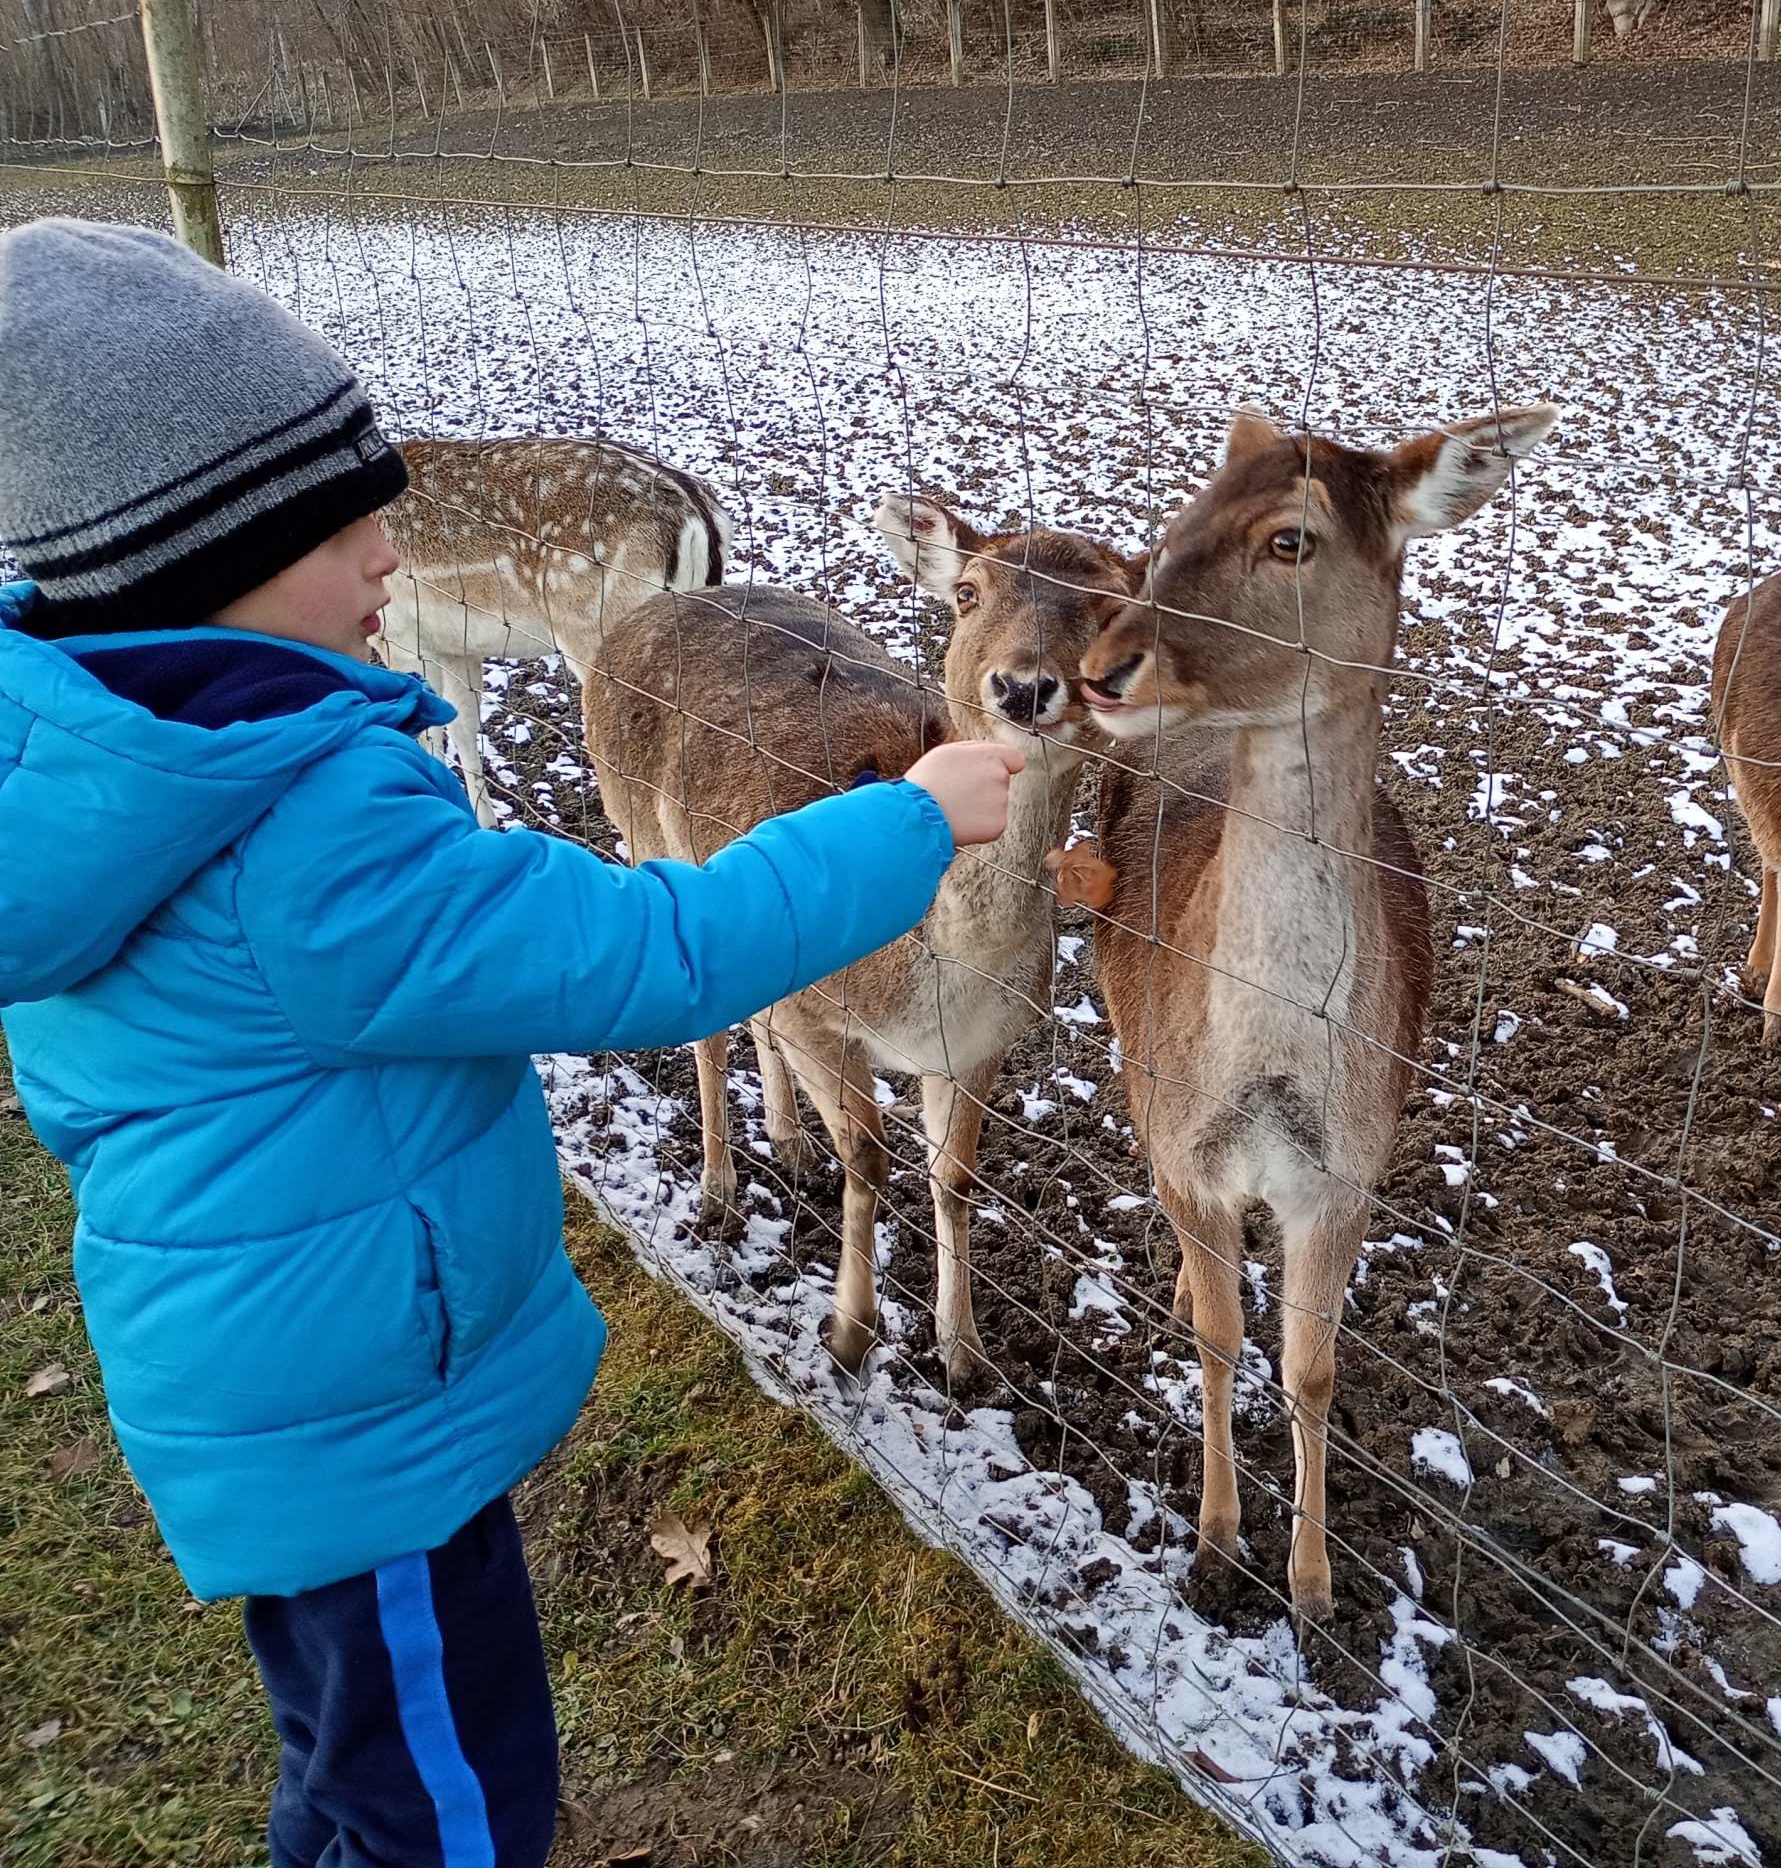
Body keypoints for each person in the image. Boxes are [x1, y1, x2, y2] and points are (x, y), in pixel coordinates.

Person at [0, 218, 1020, 1868]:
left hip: (271, 1397)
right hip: (366, 1426)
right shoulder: (308, 838)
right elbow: (651, 949)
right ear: (209, 562)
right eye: (345, 527)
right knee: (450, 1810)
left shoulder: (92, 770)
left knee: (346, 1762)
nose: (394, 552)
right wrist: (905, 826)